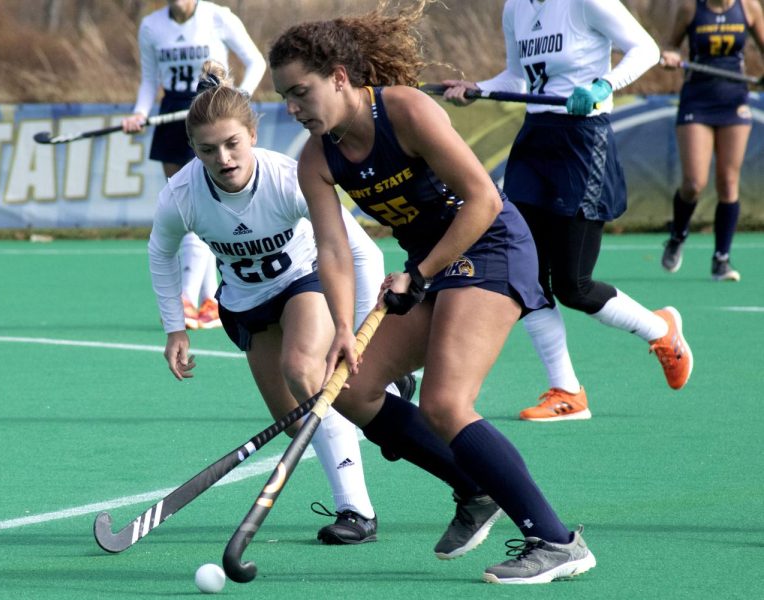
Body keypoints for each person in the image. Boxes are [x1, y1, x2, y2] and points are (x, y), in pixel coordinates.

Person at [268, 1, 595, 584]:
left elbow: (483, 201)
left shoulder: (406, 111)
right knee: (349, 385)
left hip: (491, 248)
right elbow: (335, 251)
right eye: (285, 98)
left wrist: (419, 275)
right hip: (430, 266)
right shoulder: (317, 158)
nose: (293, 109)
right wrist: (344, 327)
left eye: (301, 92)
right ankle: (473, 486)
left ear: (339, 78)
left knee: (444, 403)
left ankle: (555, 540)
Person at [148, 61, 412, 544]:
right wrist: (176, 328)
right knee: (298, 424)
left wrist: (357, 338)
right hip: (245, 305)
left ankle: (357, 513)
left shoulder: (286, 178)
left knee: (301, 370)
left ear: (252, 133)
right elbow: (160, 254)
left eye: (232, 144)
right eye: (208, 150)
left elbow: (362, 252)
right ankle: (390, 405)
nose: (224, 158)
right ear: (193, 150)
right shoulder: (181, 194)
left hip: (302, 281)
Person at [442, 0, 694, 422]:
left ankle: (661, 330)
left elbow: (646, 49)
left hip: (583, 141)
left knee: (573, 285)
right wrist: (478, 89)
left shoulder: (586, 2)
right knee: (526, 276)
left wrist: (602, 86)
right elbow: (516, 75)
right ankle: (567, 392)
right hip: (535, 142)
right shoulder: (515, 9)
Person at [126, 0, 267, 329]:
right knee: (183, 203)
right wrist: (139, 113)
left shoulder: (218, 17)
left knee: (202, 205)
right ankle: (209, 301)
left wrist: (238, 97)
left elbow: (255, 61)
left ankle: (187, 299)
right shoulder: (151, 26)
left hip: (209, 115)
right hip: (173, 114)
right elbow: (149, 81)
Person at [659, 0, 764, 282]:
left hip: (734, 100)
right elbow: (670, 45)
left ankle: (721, 259)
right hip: (697, 100)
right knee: (694, 183)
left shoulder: (749, 8)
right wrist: (668, 56)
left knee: (728, 181)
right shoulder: (690, 8)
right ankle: (678, 234)